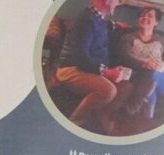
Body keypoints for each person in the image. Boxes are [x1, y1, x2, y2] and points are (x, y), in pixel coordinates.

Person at [55, 0, 134, 133]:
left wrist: (116, 25)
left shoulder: (98, 18)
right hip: (70, 69)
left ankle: (101, 118)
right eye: (118, 0)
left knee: (127, 86)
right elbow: (80, 57)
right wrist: (107, 72)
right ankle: (73, 126)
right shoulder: (85, 20)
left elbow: (104, 24)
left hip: (87, 68)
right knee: (108, 90)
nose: (120, 3)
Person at [116, 6, 164, 120]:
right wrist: (144, 64)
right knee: (149, 89)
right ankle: (145, 122)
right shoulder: (128, 38)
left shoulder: (163, 41)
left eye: (150, 16)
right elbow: (125, 56)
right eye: (142, 15)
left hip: (162, 79)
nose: (145, 17)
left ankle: (134, 105)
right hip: (140, 78)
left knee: (154, 73)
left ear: (156, 22)